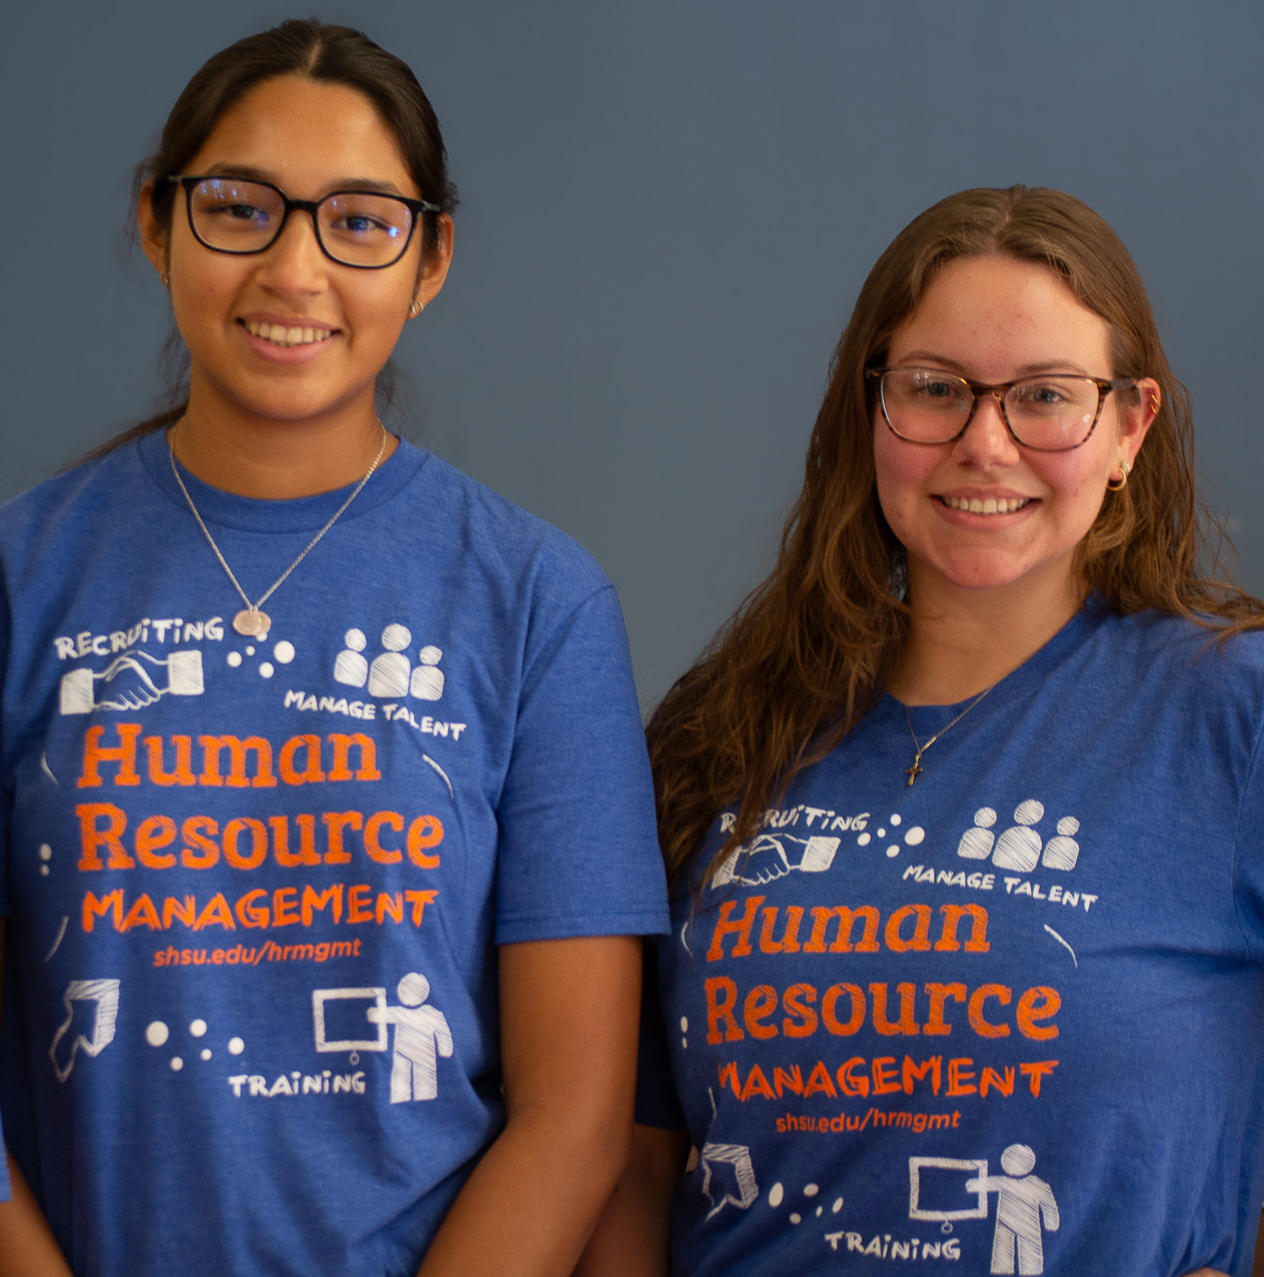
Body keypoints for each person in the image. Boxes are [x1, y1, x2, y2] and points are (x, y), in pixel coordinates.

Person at [0, 19, 668, 1276]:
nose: (295, 270)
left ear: (430, 258)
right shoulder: (22, 576)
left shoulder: (540, 601)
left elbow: (574, 1118)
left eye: (359, 221)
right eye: (240, 207)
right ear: (156, 223)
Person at [577, 186, 1264, 1276]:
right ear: (871, 411)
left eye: (1045, 396)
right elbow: (632, 1157)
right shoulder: (722, 729)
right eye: (934, 389)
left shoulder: (1233, 713)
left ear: (1129, 428)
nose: (984, 444)